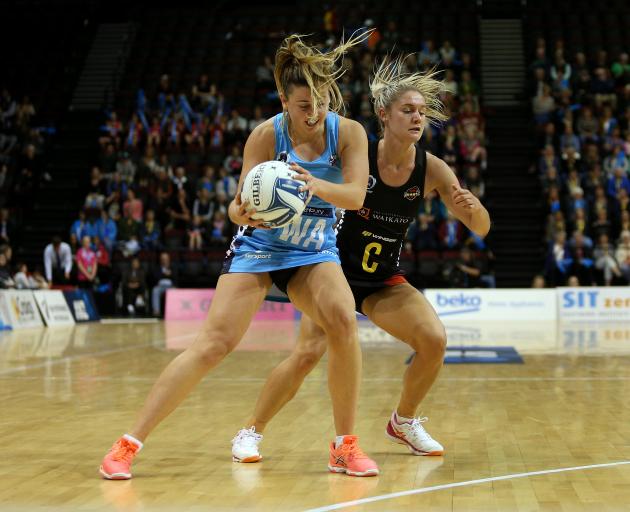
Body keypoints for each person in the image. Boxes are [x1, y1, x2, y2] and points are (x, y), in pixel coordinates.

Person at [100, 31, 379, 480]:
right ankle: (128, 444)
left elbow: (351, 195)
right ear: (284, 101)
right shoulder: (264, 136)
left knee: (343, 321)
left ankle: (344, 447)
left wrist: (313, 185)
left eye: (322, 102)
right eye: (304, 105)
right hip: (261, 247)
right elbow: (236, 205)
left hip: (312, 249)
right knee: (213, 345)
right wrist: (243, 212)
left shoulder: (347, 133)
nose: (315, 113)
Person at [230, 57, 491, 464]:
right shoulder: (356, 152)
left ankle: (403, 421)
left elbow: (481, 228)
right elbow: (307, 179)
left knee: (434, 340)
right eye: (408, 110)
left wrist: (472, 208)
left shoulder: (432, 169)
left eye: (422, 112)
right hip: (331, 270)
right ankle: (251, 430)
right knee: (306, 356)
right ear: (384, 115)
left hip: (381, 277)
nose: (417, 118)